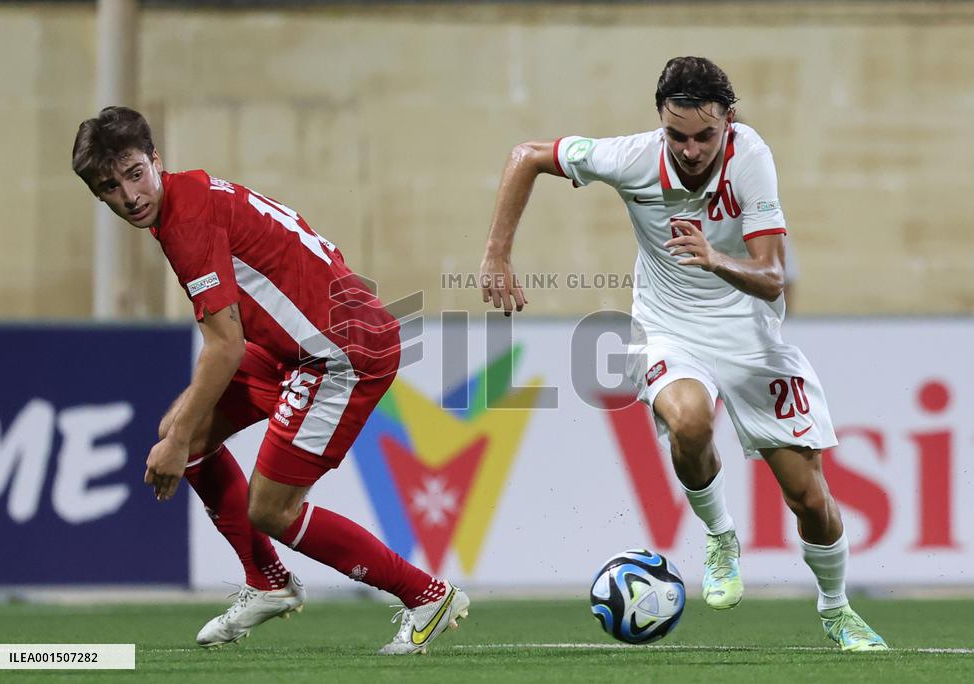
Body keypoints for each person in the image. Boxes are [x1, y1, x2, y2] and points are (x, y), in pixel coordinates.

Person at [479, 56, 886, 652]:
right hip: (670, 328)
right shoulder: (632, 157)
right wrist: (496, 255)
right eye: (677, 135)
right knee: (689, 422)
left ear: (729, 122)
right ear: (659, 123)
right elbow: (528, 156)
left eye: (704, 136)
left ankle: (836, 607)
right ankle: (720, 536)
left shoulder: (751, 160)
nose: (690, 150)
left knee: (809, 497)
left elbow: (773, 277)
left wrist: (714, 257)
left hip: (750, 336)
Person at [72, 106, 469, 654]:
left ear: (156, 161)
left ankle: (425, 594)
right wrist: (182, 435)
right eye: (110, 187)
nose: (130, 195)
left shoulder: (185, 222)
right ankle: (267, 581)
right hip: (301, 347)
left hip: (339, 356)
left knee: (268, 508)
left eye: (135, 173)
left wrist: (181, 438)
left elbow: (225, 346)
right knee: (179, 432)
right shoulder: (188, 196)